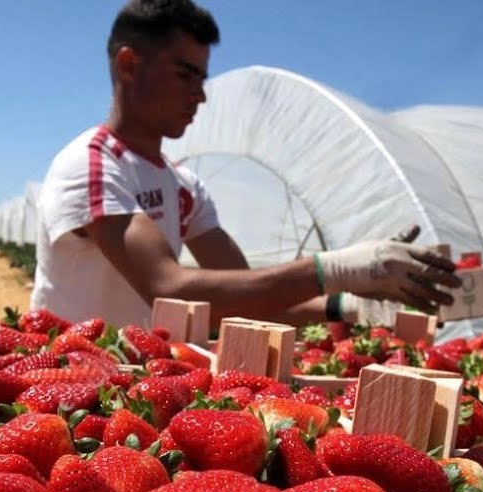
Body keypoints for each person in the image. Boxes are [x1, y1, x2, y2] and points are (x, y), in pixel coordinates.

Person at [33, 0, 460, 329]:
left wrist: (349, 303)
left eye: (202, 79)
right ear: (128, 65)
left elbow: (244, 293)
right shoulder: (92, 166)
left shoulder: (183, 186)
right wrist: (339, 269)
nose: (200, 96)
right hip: (66, 384)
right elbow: (167, 288)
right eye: (185, 75)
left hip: (135, 384)